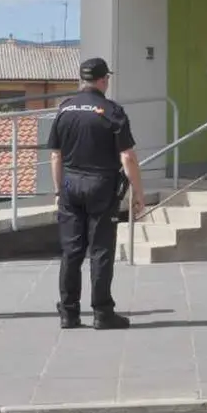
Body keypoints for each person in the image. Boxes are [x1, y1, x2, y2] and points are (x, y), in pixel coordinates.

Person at [47, 57, 145, 330]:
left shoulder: (64, 109)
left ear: (82, 79)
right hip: (102, 185)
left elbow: (56, 156)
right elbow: (127, 157)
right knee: (101, 251)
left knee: (71, 251)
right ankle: (103, 313)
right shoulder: (112, 111)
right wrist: (138, 193)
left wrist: (58, 190)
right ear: (103, 80)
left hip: (70, 183)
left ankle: (68, 312)